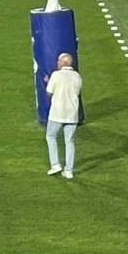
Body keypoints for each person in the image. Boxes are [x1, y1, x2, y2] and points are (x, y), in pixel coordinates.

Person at [43, 49, 82, 179]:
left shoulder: (56, 75)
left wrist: (48, 82)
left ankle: (55, 164)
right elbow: (75, 93)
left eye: (59, 61)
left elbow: (49, 93)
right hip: (72, 113)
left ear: (62, 63)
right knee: (69, 141)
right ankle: (69, 170)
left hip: (57, 112)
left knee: (50, 136)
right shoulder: (77, 76)